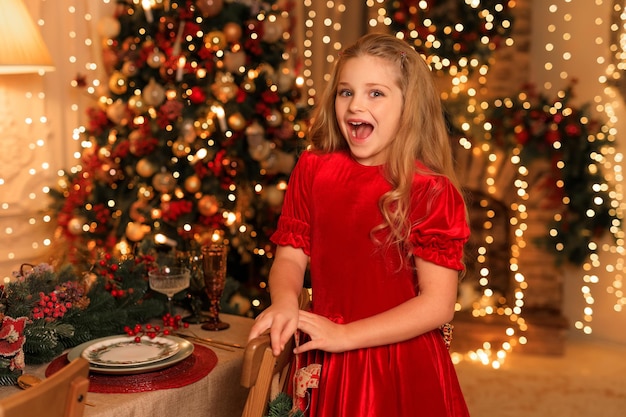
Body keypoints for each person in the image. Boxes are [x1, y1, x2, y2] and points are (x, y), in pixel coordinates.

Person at [248, 32, 471, 417]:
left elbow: (438, 305)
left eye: (376, 93)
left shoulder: (431, 191)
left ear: (409, 106)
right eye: (346, 92)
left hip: (397, 365)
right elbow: (289, 257)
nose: (355, 105)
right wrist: (285, 301)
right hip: (324, 356)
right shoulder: (313, 170)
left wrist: (346, 335)